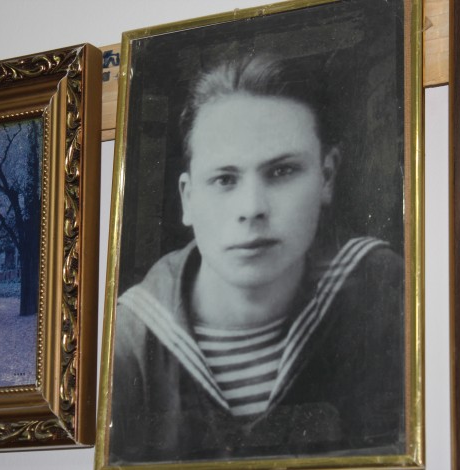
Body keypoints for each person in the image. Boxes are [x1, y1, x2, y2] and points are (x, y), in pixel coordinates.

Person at [109, 54, 405, 464]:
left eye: (281, 172)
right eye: (224, 179)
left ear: (326, 176)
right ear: (188, 199)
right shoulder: (130, 342)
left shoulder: (384, 290)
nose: (252, 208)